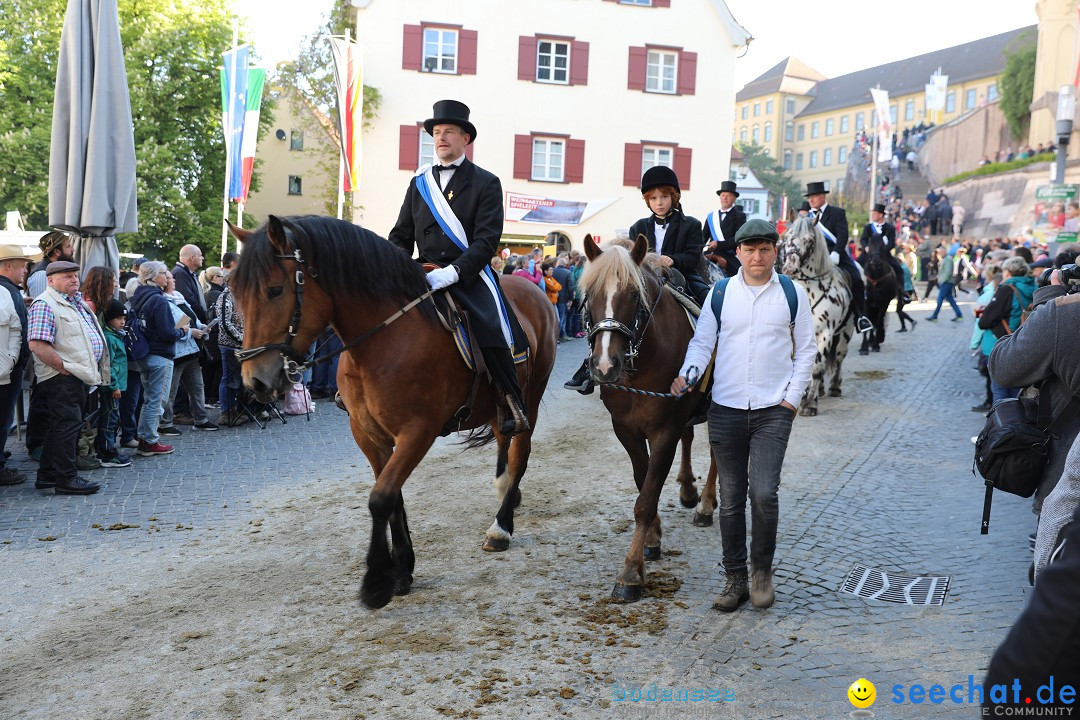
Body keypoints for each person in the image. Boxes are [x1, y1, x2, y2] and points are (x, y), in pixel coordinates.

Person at [671, 219, 815, 612]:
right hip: (726, 409)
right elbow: (702, 344)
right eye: (750, 249)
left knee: (764, 494)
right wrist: (688, 374)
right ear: (738, 253)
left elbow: (806, 350)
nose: (757, 256)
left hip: (773, 412)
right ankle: (735, 577)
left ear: (774, 252)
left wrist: (791, 400)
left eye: (764, 249)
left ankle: (761, 572)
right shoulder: (720, 294)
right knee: (732, 499)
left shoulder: (791, 293)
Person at [387, 99, 530, 437]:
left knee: (489, 324)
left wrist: (453, 272)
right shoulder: (419, 184)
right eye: (436, 132)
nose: (441, 137)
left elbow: (485, 240)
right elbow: (401, 235)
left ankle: (508, 398)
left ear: (466, 138)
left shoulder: (486, 182)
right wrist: (394, 267)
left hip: (468, 272)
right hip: (422, 270)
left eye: (449, 131)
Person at [989, 267, 1080, 524]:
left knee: (1057, 560)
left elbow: (1004, 367)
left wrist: (1048, 301)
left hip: (1068, 486)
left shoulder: (1067, 313)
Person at [27, 261, 109, 495]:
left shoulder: (74, 302)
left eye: (75, 275)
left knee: (60, 426)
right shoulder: (45, 303)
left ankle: (48, 475)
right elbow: (38, 345)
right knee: (67, 427)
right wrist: (63, 368)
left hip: (76, 374)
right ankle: (66, 478)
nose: (74, 279)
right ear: (50, 281)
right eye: (67, 276)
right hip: (62, 377)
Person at [128, 261, 191, 456]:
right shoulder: (159, 301)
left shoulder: (138, 297)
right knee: (157, 400)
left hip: (144, 354)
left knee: (149, 399)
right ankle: (149, 441)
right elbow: (167, 333)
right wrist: (182, 331)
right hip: (160, 355)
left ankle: (145, 437)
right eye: (164, 273)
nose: (167, 276)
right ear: (153, 277)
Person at [627, 165, 709, 305]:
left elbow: (694, 257)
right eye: (653, 198)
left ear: (673, 196)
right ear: (648, 200)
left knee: (709, 301)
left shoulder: (691, 224)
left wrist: (674, 260)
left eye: (664, 196)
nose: (659, 203)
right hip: (646, 278)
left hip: (683, 276)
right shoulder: (638, 227)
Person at [804, 182, 873, 333]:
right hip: (813, 259)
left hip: (836, 255)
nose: (811, 200)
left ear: (822, 196)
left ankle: (860, 317)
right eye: (809, 197)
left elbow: (842, 235)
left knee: (856, 279)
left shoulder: (837, 213)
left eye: (814, 196)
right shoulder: (806, 217)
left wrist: (836, 252)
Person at [158, 271, 216, 433]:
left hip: (191, 351)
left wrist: (202, 327)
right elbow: (175, 328)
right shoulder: (163, 301)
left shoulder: (178, 296)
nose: (173, 279)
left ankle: (201, 419)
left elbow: (190, 318)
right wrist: (192, 331)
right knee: (170, 391)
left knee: (197, 387)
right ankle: (165, 424)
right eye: (169, 277)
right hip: (176, 353)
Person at [0, 244, 36, 485]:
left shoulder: (9, 290)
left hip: (8, 365)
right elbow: (15, 331)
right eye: (22, 266)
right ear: (7, 266)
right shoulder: (6, 291)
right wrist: (15, 362)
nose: (25, 271)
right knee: (2, 419)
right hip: (8, 368)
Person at [977, 257, 1035, 402]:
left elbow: (985, 321)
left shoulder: (1006, 289)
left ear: (1008, 272)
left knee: (1000, 392)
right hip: (1027, 344)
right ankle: (1017, 421)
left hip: (1005, 344)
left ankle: (1003, 424)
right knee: (1018, 392)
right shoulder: (1035, 288)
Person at [95, 300, 133, 468]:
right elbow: (107, 365)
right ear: (109, 319)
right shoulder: (109, 338)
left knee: (112, 417)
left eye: (124, 318)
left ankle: (107, 448)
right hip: (111, 386)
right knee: (110, 418)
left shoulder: (116, 335)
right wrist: (114, 386)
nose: (122, 321)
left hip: (116, 385)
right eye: (118, 318)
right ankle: (107, 453)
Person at [703, 180, 746, 275]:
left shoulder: (740, 216)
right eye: (723, 195)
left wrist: (719, 244)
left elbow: (738, 238)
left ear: (734, 198)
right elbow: (703, 238)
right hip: (711, 252)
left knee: (739, 275)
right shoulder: (711, 216)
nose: (725, 198)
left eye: (729, 196)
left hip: (729, 254)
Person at [26, 231, 74, 299]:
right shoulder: (42, 275)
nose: (73, 249)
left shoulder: (52, 272)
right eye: (68, 246)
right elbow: (41, 305)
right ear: (57, 252)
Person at [172, 244, 209, 323]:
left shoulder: (188, 273)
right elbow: (187, 301)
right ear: (192, 258)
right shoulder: (180, 273)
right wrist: (200, 320)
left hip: (193, 322)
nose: (202, 258)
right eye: (200, 255)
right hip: (188, 324)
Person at [925, 246, 963, 321]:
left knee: (940, 299)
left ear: (944, 252)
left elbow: (948, 272)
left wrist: (941, 280)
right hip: (946, 282)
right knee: (950, 299)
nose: (939, 253)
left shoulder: (947, 259)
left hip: (947, 282)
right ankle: (959, 315)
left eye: (940, 252)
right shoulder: (946, 259)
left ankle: (935, 316)